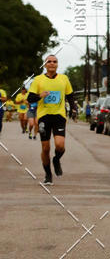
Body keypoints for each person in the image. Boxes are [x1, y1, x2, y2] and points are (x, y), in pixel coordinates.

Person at [28, 55, 77, 184]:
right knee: (45, 148)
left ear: (57, 64)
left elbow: (70, 95)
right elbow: (30, 98)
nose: (52, 64)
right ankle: (48, 174)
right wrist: (40, 95)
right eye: (49, 62)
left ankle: (56, 160)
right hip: (44, 117)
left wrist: (74, 108)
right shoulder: (38, 80)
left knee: (60, 146)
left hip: (59, 116)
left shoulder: (64, 79)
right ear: (45, 64)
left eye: (54, 62)